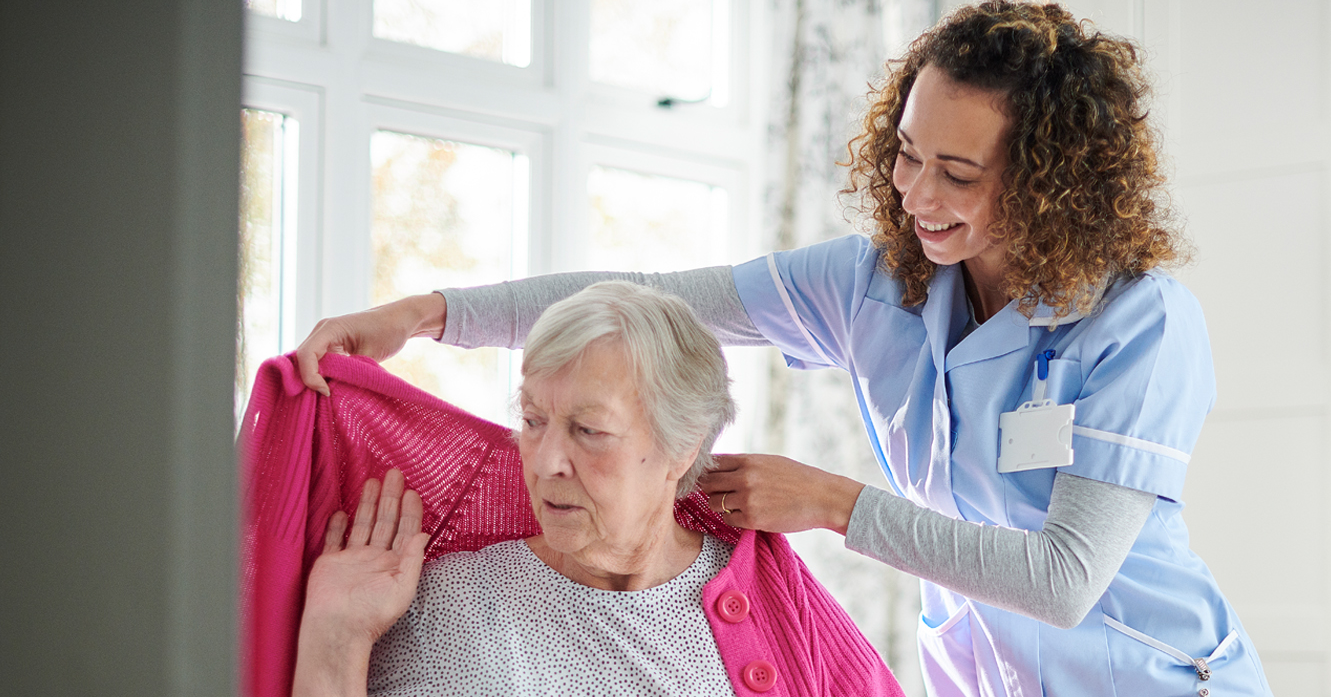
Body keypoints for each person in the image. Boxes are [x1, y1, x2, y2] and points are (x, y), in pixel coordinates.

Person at [296, 0, 1273, 697]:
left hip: (1149, 673)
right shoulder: (871, 286)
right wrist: (426, 313)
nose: (917, 196)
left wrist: (831, 504)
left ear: (1050, 180)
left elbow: (1063, 582)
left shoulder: (1138, 325)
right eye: (905, 154)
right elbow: (646, 298)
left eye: (958, 174)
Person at [288, 282, 903, 696]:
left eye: (589, 430)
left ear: (681, 446)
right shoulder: (444, 602)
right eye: (532, 420)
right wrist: (335, 638)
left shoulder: (771, 599)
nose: (547, 459)